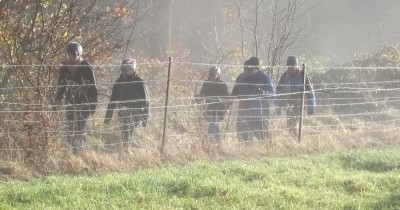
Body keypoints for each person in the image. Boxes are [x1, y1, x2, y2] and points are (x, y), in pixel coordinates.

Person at [55, 42, 98, 153]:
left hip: (85, 101)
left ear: (79, 54)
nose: (71, 57)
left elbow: (93, 87)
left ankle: (79, 151)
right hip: (70, 101)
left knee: (80, 125)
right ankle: (72, 148)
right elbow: (62, 86)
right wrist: (58, 99)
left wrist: (93, 104)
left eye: (73, 54)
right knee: (70, 125)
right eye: (69, 54)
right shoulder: (64, 67)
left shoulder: (87, 67)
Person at [104, 58, 149, 148]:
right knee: (124, 133)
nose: (125, 71)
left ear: (133, 69)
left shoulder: (139, 82)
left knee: (129, 131)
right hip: (122, 112)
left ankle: (129, 149)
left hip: (136, 112)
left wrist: (145, 120)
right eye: (124, 68)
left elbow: (146, 102)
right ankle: (129, 149)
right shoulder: (119, 82)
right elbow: (112, 100)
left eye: (128, 68)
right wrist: (108, 118)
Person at [231, 57, 275, 142]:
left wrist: (263, 93)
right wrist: (231, 98)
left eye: (249, 69)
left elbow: (273, 94)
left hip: (259, 114)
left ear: (256, 68)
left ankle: (267, 151)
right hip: (244, 112)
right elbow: (235, 92)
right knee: (243, 138)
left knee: (262, 138)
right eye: (245, 68)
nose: (247, 71)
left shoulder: (264, 78)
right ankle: (246, 153)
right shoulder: (241, 77)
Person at [276, 55, 316, 136]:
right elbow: (279, 92)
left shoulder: (303, 75)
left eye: (292, 67)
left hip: (300, 102)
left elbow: (310, 92)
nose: (290, 70)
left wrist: (311, 106)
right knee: (290, 124)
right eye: (289, 67)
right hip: (289, 103)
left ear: (296, 66)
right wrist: (278, 106)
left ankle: (295, 139)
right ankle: (294, 140)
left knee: (294, 123)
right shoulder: (285, 76)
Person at [198, 66, 230, 143]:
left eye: (213, 75)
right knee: (211, 124)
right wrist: (200, 104)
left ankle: (215, 141)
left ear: (218, 75)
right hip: (208, 108)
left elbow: (228, 98)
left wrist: (226, 109)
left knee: (213, 124)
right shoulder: (206, 84)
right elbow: (202, 95)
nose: (211, 76)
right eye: (210, 74)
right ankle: (214, 142)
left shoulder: (222, 85)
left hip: (219, 109)